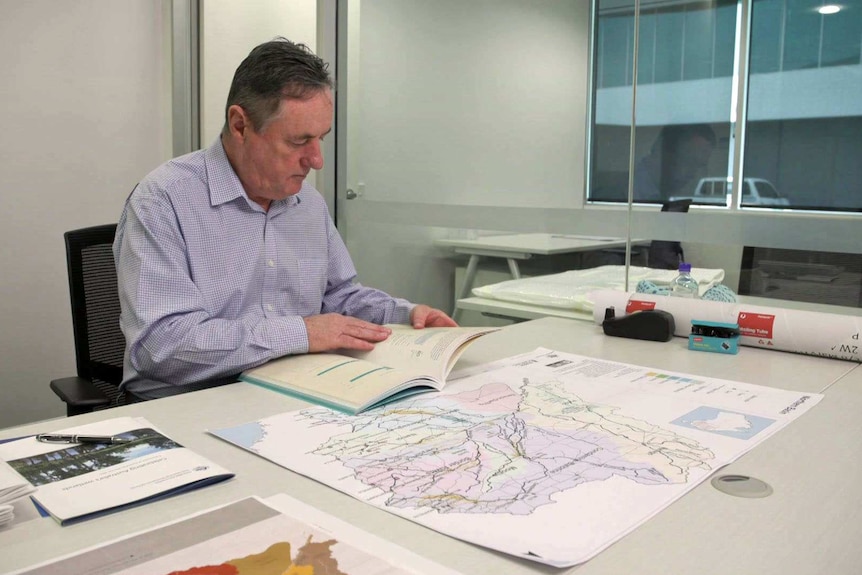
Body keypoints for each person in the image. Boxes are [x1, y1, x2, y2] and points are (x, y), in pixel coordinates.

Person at [113, 38, 457, 400]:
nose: (317, 160)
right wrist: (302, 333)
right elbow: (162, 347)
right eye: (299, 141)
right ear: (240, 125)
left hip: (291, 394)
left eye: (321, 138)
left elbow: (338, 296)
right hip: (188, 405)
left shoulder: (306, 202)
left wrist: (406, 316)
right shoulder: (163, 201)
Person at [633, 123, 717, 203]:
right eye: (691, 162)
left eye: (698, 166)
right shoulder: (625, 194)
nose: (692, 174)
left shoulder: (663, 196)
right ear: (665, 153)